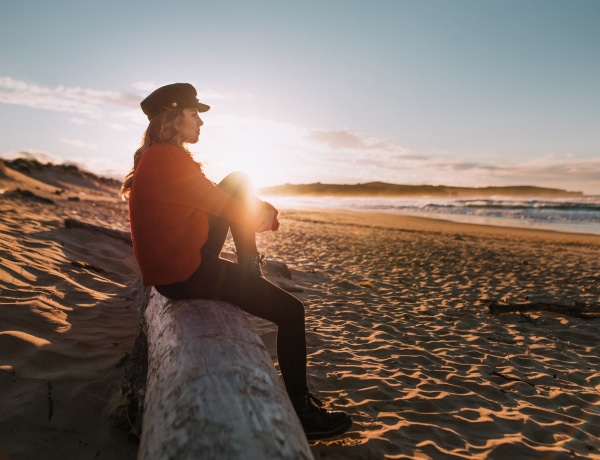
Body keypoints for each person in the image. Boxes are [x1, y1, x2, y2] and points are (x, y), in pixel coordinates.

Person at [121, 83, 352, 440]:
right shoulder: (168, 162)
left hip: (179, 262)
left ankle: (249, 267)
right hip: (184, 274)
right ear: (173, 116)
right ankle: (302, 411)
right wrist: (266, 215)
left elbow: (216, 195)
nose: (200, 121)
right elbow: (227, 208)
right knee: (292, 313)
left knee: (239, 179)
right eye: (193, 113)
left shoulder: (160, 156)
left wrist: (253, 208)